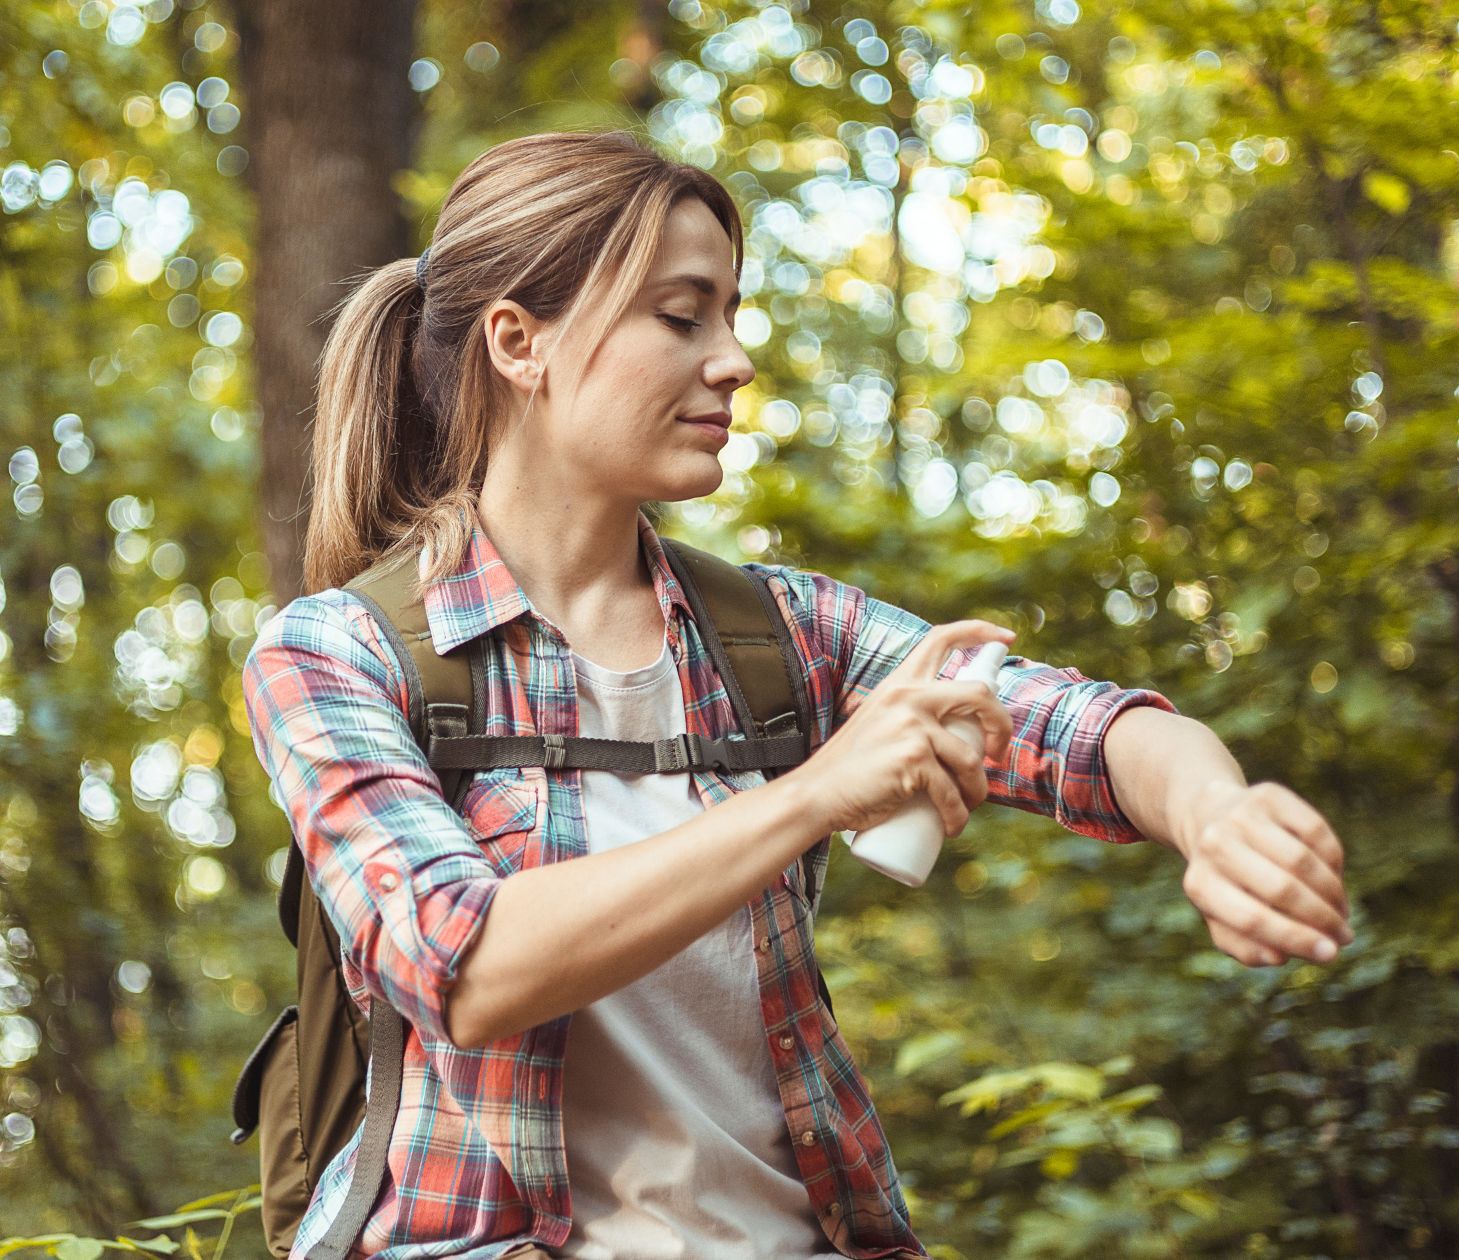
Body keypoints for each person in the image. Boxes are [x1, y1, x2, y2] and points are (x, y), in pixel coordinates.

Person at [240, 129, 1353, 1260]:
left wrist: (1215, 815)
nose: (732, 359)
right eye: (682, 316)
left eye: (729, 314)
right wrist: (815, 794)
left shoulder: (778, 634)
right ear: (519, 341)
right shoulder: (337, 654)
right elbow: (462, 968)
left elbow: (1081, 733)